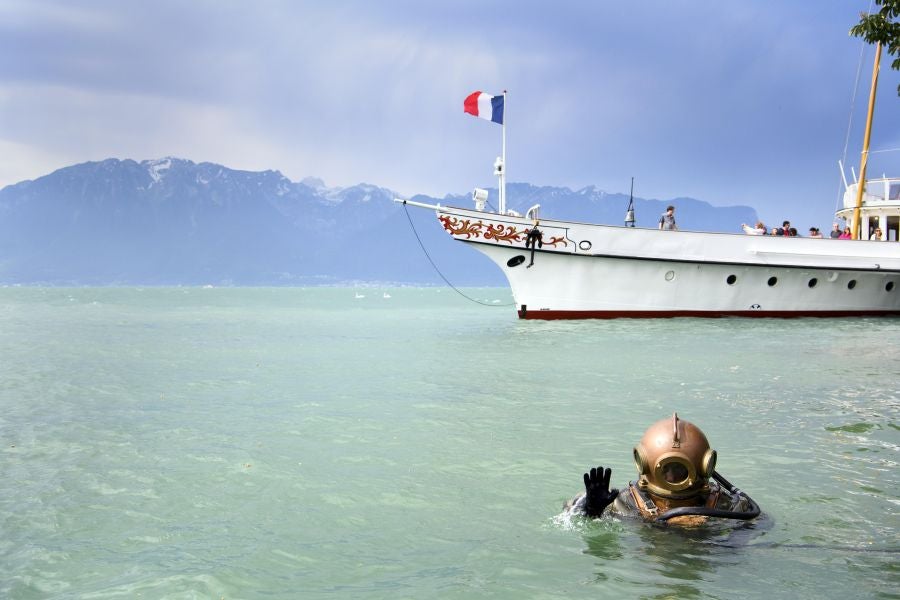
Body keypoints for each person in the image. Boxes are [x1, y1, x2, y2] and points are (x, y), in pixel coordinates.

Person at [565, 413, 760, 527]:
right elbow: (569, 518)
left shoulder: (726, 507)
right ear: (644, 463)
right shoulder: (626, 503)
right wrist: (591, 510)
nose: (673, 477)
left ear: (704, 467)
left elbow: (758, 528)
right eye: (667, 470)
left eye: (680, 470)